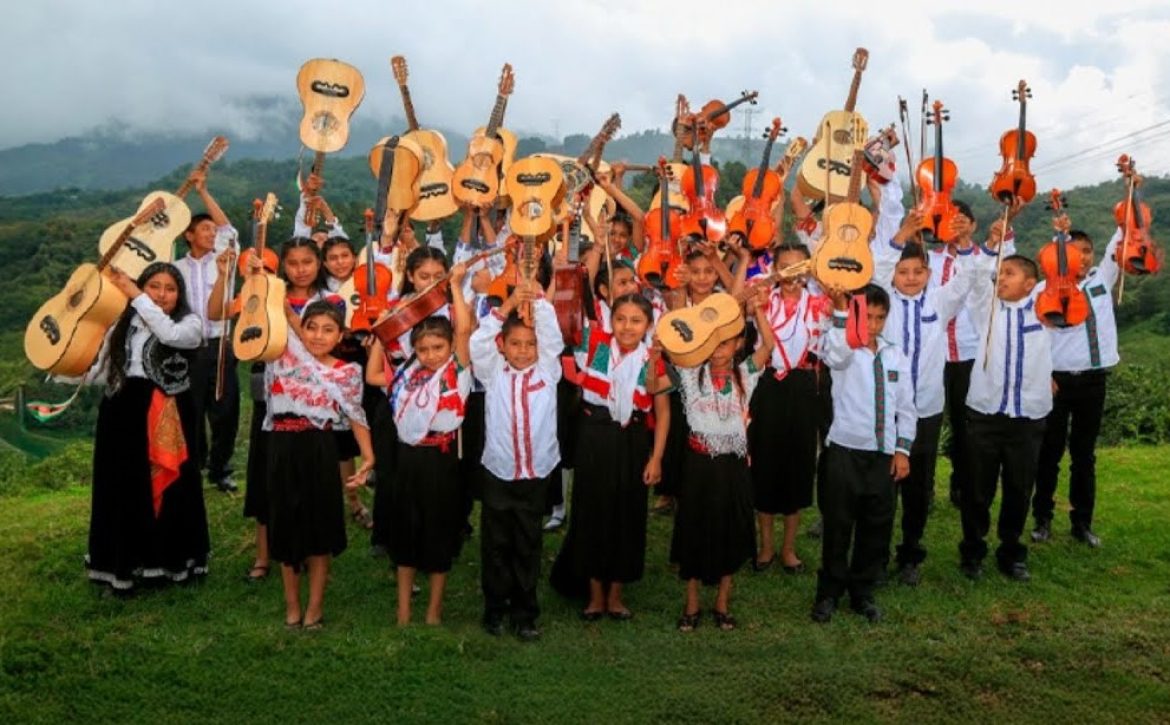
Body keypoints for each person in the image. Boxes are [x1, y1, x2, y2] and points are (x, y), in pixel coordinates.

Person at [76, 262, 209, 593]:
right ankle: (123, 562)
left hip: (167, 411)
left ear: (180, 294)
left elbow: (168, 335)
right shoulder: (122, 323)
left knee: (170, 486)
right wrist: (65, 368)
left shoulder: (189, 324)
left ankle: (168, 560)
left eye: (170, 288)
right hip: (121, 408)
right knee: (121, 485)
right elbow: (102, 370)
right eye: (154, 286)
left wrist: (136, 295)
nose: (162, 295)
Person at [877, 205, 982, 586]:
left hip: (926, 408)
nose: (910, 278)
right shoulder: (882, 302)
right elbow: (875, 269)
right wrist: (902, 234)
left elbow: (968, 279)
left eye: (918, 272)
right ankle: (875, 556)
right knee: (882, 486)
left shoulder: (939, 302)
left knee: (918, 486)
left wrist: (965, 242)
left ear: (929, 273)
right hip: (887, 408)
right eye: (903, 272)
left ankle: (910, 553)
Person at [550, 293, 671, 620]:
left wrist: (656, 458)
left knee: (627, 512)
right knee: (591, 509)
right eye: (620, 319)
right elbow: (571, 304)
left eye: (636, 321)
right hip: (595, 435)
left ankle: (616, 593)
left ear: (648, 325)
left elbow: (662, 410)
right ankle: (594, 594)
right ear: (610, 321)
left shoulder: (652, 357)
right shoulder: (596, 345)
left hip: (632, 440)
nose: (627, 327)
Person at [669, 288, 775, 632]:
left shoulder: (745, 374)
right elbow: (677, 338)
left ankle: (722, 603)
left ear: (738, 344)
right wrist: (693, 313)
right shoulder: (691, 374)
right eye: (713, 344)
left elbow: (769, 346)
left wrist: (757, 310)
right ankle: (692, 604)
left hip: (732, 467)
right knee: (694, 529)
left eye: (726, 343)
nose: (718, 351)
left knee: (729, 529)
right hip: (699, 466)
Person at [374, 263, 474, 625]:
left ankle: (433, 611)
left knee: (438, 530)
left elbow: (464, 328)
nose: (431, 354)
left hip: (441, 460)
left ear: (449, 347)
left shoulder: (456, 370)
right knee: (406, 530)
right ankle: (403, 611)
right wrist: (382, 331)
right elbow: (374, 372)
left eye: (438, 347)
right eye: (424, 348)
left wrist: (456, 286)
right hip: (408, 459)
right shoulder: (408, 373)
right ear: (414, 349)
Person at [264, 299, 373, 629]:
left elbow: (355, 415)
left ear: (340, 336)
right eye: (311, 328)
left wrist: (368, 457)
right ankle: (292, 606)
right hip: (281, 447)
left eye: (328, 330)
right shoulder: (281, 355)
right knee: (285, 527)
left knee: (319, 529)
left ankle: (314, 608)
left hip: (319, 449)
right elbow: (261, 324)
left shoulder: (346, 372)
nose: (318, 335)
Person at [812, 283, 916, 624]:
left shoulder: (895, 354)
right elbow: (835, 355)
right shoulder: (844, 348)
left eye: (879, 318)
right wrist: (843, 311)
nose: (872, 325)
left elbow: (907, 407)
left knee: (876, 526)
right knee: (838, 525)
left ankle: (862, 592)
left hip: (882, 455)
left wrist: (902, 450)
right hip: (845, 451)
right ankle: (829, 593)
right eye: (866, 316)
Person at [470, 280, 562, 642]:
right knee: (496, 544)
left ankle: (525, 613)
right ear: (502, 346)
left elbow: (552, 335)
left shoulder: (548, 371)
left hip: (536, 472)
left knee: (528, 542)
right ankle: (494, 608)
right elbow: (478, 342)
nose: (523, 351)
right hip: (499, 471)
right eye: (515, 344)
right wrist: (508, 305)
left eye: (530, 344)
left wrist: (537, 299)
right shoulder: (492, 372)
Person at [959, 226, 1050, 583]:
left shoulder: (1044, 309)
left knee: (1019, 488)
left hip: (1027, 416)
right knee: (977, 489)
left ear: (1030, 284)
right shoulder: (986, 307)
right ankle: (973, 552)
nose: (1002, 279)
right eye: (1000, 273)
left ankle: (1011, 553)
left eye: (1010, 273)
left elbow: (1066, 286)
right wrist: (992, 245)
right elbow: (978, 276)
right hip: (985, 413)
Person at [1032, 221, 1122, 547]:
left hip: (1093, 380)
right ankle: (1042, 518)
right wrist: (1043, 374)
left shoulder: (1101, 280)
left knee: (1084, 455)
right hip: (1055, 381)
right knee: (1050, 453)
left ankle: (1082, 522)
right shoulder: (1043, 290)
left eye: (1087, 251)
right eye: (1074, 251)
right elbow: (1035, 338)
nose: (1082, 258)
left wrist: (1129, 204)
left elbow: (1120, 241)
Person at [748, 243, 830, 574]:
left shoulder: (819, 302)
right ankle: (766, 546)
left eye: (799, 267)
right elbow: (737, 300)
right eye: (785, 267)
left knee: (798, 463)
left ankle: (789, 548)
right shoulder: (763, 298)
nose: (792, 274)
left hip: (803, 384)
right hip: (768, 384)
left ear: (808, 269)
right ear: (775, 269)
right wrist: (764, 288)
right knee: (765, 461)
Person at [172, 169, 240, 493]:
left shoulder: (224, 260)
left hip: (220, 343)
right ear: (189, 235)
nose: (212, 233)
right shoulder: (175, 269)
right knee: (191, 410)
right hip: (187, 348)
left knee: (226, 410)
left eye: (213, 230)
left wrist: (203, 192)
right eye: (205, 229)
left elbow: (229, 230)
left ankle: (220, 468)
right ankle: (194, 467)